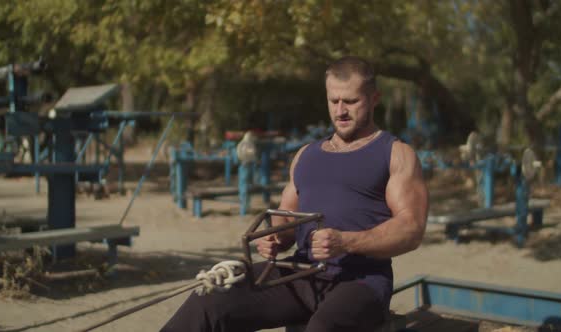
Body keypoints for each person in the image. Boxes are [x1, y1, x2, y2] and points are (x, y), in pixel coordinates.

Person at [161, 56, 429, 332]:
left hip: (361, 282)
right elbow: (285, 226)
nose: (340, 111)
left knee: (322, 328)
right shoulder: (306, 155)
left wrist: (346, 242)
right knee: (211, 298)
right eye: (333, 101)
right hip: (301, 273)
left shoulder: (395, 153)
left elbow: (411, 228)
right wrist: (273, 239)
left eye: (350, 101)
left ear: (374, 99)